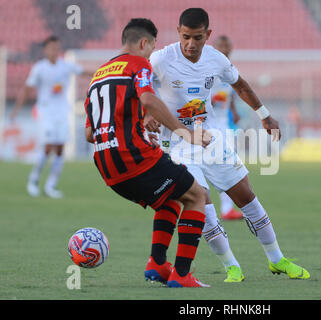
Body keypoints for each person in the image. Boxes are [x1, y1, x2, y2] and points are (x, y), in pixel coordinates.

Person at [148, 8, 310, 282]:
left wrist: (264, 115)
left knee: (245, 195)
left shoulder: (216, 59)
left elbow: (241, 85)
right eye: (186, 36)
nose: (190, 44)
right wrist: (147, 113)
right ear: (178, 32)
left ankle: (277, 259)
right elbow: (138, 87)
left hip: (210, 138)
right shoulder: (161, 59)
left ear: (207, 35)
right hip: (176, 146)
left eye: (197, 37)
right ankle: (231, 266)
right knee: (200, 201)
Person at [84, 18, 212, 288]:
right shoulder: (138, 64)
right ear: (144, 43)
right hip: (133, 159)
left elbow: (89, 133)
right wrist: (185, 133)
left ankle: (156, 264)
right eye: (152, 48)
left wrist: (138, 130)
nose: (151, 54)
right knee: (197, 195)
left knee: (169, 199)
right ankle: (181, 274)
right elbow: (148, 99)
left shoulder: (98, 75)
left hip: (108, 169)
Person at [11, 36, 89, 198]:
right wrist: (16, 109)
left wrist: (105, 73)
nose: (54, 51)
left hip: (62, 112)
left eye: (56, 48)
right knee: (47, 148)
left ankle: (50, 185)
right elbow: (27, 88)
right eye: (51, 48)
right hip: (46, 112)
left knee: (60, 150)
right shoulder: (39, 68)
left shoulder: (65, 66)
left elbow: (84, 72)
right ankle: (33, 180)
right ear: (45, 50)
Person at [210, 35, 243, 220]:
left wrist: (234, 110)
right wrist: (211, 101)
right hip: (209, 123)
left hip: (224, 123)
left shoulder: (230, 69)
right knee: (221, 165)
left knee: (228, 164)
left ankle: (227, 209)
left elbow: (230, 92)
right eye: (221, 45)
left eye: (227, 45)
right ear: (214, 48)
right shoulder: (209, 69)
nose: (225, 48)